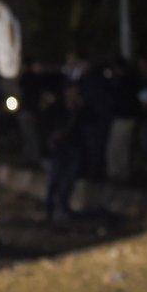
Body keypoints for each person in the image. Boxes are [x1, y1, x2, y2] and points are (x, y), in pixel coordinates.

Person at [45, 83, 86, 222]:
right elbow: (49, 124)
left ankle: (63, 206)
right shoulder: (58, 108)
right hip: (59, 148)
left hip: (74, 147)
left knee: (69, 180)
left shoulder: (79, 109)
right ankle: (50, 208)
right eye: (71, 91)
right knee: (55, 178)